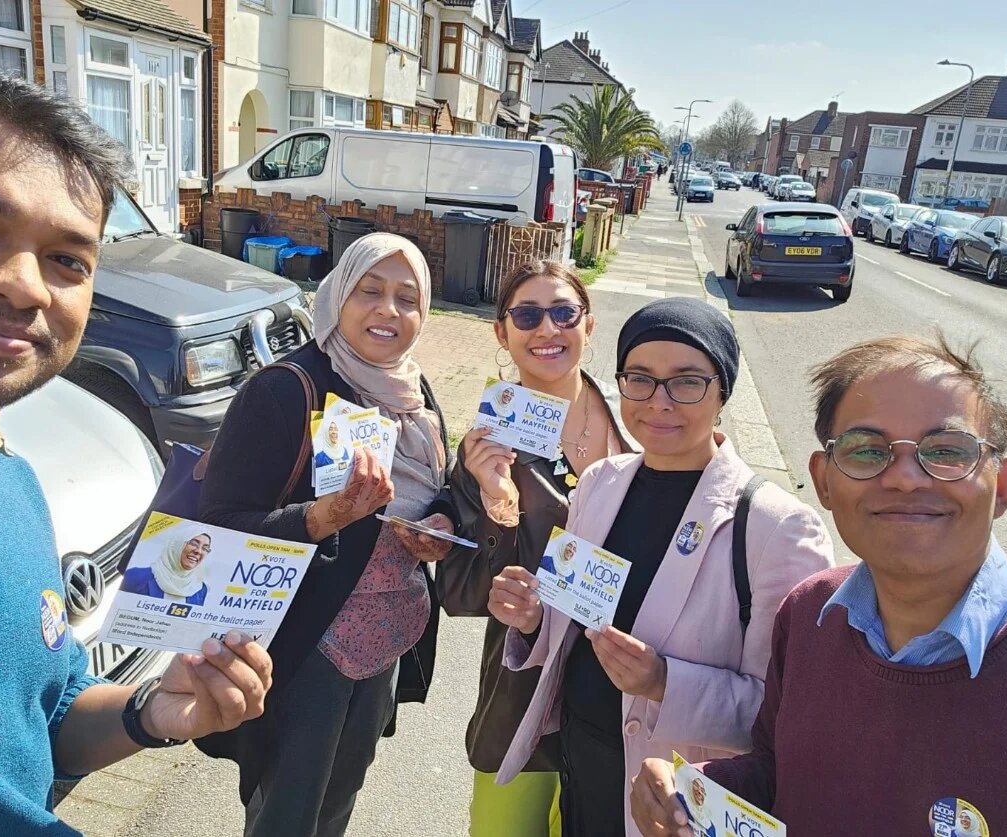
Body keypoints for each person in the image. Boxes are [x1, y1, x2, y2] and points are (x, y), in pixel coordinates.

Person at [0, 69, 272, 836]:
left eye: (68, 260)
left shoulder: (6, 479)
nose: (25, 287)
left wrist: (154, 708)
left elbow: (44, 722)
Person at [630, 336, 1007, 837]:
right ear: (823, 482)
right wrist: (691, 792)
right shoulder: (809, 614)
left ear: (1005, 486)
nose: (906, 478)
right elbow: (777, 771)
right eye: (867, 451)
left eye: (947, 451)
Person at [488, 298, 833, 837]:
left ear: (722, 392)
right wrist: (532, 614)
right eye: (640, 379)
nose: (659, 402)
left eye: (687, 382)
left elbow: (783, 712)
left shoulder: (776, 528)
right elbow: (574, 623)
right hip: (581, 757)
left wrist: (664, 681)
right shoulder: (601, 483)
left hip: (669, 796)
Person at [197, 232, 456, 837]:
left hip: (386, 642)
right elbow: (218, 526)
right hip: (307, 647)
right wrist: (322, 518)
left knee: (340, 796)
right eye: (370, 291)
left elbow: (437, 491)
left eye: (407, 298)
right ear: (338, 294)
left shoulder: (413, 393)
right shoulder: (287, 389)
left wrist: (442, 523)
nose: (388, 310)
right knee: (287, 811)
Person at [437, 260, 636, 837]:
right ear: (503, 333)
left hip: (622, 686)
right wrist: (499, 503)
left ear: (588, 325)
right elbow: (460, 590)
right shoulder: (487, 446)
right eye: (527, 315)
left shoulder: (639, 421)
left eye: (563, 313)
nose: (547, 329)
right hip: (525, 691)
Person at [122, 528, 212, 605]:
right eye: (193, 543)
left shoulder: (200, 589)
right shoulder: (136, 576)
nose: (198, 551)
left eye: (205, 548)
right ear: (177, 545)